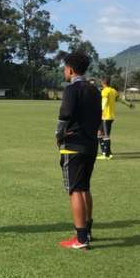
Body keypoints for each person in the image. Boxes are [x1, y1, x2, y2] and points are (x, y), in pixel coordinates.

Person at [56, 51, 101, 250]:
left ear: (71, 70)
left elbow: (65, 114)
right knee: (84, 187)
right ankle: (86, 230)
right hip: (91, 145)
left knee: (74, 190)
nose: (64, 72)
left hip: (73, 146)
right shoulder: (95, 90)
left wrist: (59, 134)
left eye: (64, 68)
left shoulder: (71, 89)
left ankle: (81, 238)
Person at [97, 76, 134, 159]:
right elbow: (120, 100)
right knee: (99, 133)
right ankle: (106, 152)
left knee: (106, 135)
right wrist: (129, 104)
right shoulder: (114, 91)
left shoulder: (105, 91)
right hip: (110, 116)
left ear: (103, 83)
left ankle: (106, 155)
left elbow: (104, 102)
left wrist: (100, 110)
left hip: (106, 116)